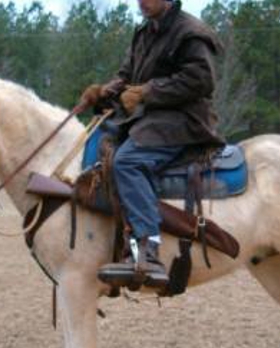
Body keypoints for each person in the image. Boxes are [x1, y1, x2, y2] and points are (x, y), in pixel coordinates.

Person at [80, 0, 224, 287]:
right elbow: (127, 76)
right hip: (151, 118)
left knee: (128, 161)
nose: (140, 1)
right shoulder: (145, 32)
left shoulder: (191, 32)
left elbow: (201, 80)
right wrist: (104, 92)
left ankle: (148, 249)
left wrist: (147, 92)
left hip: (185, 120)